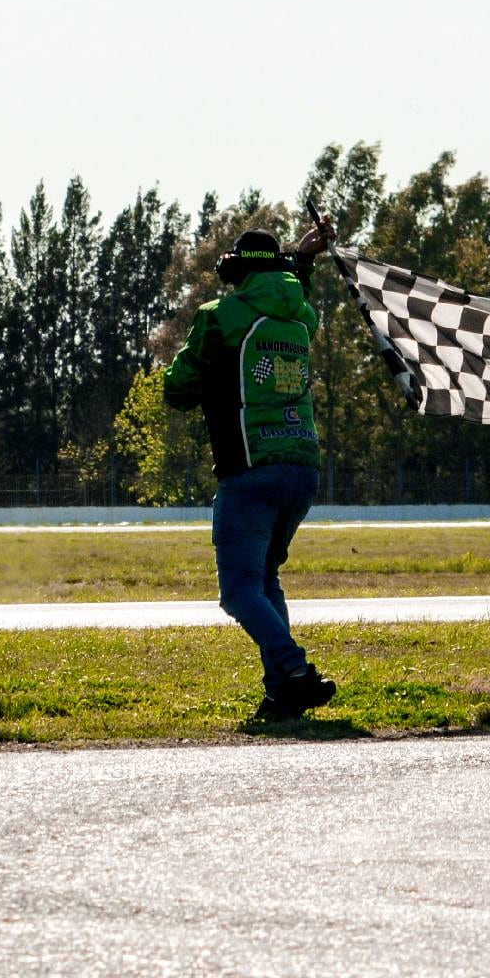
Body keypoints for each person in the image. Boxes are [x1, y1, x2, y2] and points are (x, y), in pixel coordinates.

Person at [163, 222, 338, 720]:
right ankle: (282, 694)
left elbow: (178, 389)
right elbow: (286, 294)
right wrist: (301, 260)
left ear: (236, 273)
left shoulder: (220, 316)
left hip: (249, 468)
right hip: (302, 467)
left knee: (239, 592)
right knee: (264, 580)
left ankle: (296, 668)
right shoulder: (302, 316)